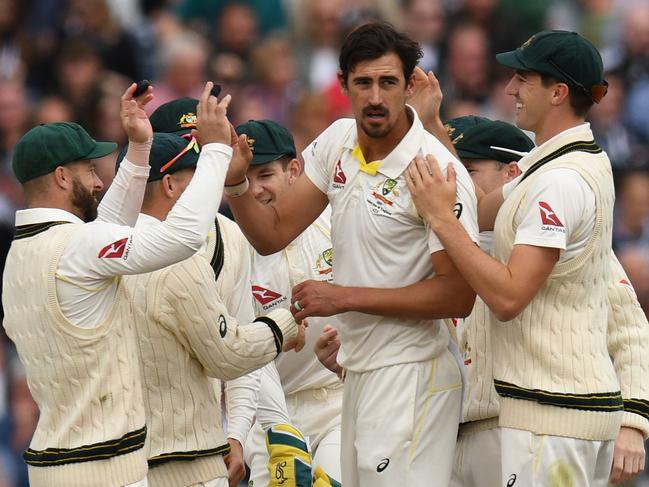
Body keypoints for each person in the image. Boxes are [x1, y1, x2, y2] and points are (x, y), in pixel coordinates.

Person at [224, 22, 479, 486]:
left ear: (409, 86)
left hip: (413, 375)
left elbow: (458, 296)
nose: (376, 97)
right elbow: (271, 233)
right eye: (363, 83)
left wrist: (342, 298)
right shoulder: (338, 140)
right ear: (343, 85)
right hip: (356, 375)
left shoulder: (436, 170)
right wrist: (236, 183)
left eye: (388, 83)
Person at [406, 30, 640, 486]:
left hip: (549, 416)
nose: (510, 89)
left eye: (523, 79)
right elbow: (477, 210)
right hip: (545, 415)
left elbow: (509, 296)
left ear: (557, 92)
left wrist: (444, 222)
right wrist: (431, 127)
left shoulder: (561, 181)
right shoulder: (552, 168)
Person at [1, 81, 232, 487]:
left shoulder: (20, 256)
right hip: (107, 470)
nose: (97, 181)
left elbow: (105, 229)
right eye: (88, 170)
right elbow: (180, 238)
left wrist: (139, 148)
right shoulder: (76, 246)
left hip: (51, 468)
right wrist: (215, 151)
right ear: (60, 176)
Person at [118, 130, 305, 487]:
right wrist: (286, 322)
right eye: (197, 181)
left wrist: (235, 433)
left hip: (114, 460)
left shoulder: (91, 249)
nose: (207, 193)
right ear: (171, 185)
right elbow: (229, 353)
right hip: (183, 461)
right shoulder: (180, 261)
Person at [234, 119, 343, 485]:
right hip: (272, 413)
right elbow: (242, 350)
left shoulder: (336, 222)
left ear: (294, 170)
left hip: (340, 402)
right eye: (244, 178)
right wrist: (278, 425)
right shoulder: (231, 245)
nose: (256, 189)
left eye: (265, 175)